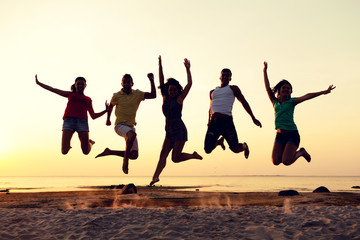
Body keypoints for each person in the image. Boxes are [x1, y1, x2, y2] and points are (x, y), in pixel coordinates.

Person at [263, 61, 336, 165]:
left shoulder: (292, 102)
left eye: (288, 88)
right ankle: (295, 152)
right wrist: (265, 71)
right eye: (284, 87)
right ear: (279, 90)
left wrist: (323, 92)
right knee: (275, 161)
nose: (286, 89)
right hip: (279, 135)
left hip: (292, 134)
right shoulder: (274, 101)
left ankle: (301, 152)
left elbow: (307, 96)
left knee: (286, 161)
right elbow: (267, 87)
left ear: (290, 92)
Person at [149, 56, 203, 186]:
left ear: (177, 90)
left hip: (179, 131)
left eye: (174, 90)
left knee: (175, 158)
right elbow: (161, 80)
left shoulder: (180, 98)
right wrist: (160, 65)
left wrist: (188, 69)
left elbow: (189, 84)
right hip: (169, 130)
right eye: (170, 89)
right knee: (163, 154)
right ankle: (155, 177)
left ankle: (193, 155)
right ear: (167, 90)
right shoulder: (164, 97)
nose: (172, 91)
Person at [96, 73, 156, 174]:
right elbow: (110, 107)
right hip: (119, 125)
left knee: (134, 155)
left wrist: (151, 80)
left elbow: (153, 95)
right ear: (122, 83)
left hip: (131, 126)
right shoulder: (116, 95)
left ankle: (110, 152)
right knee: (132, 135)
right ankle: (125, 161)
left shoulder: (137, 94)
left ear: (132, 83)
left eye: (129, 82)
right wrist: (108, 119)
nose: (127, 84)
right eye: (125, 82)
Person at [35, 74, 109, 155]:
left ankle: (90, 142)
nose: (80, 85)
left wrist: (105, 111)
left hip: (82, 123)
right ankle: (68, 146)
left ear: (85, 86)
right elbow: (53, 89)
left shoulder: (88, 99)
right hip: (69, 122)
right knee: (64, 151)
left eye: (82, 84)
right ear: (75, 85)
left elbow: (93, 116)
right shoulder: (70, 94)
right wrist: (39, 83)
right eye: (78, 84)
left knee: (86, 151)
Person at [204, 68, 262, 158]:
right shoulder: (212, 92)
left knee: (235, 149)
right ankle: (219, 142)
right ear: (220, 77)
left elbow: (244, 102)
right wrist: (208, 122)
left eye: (228, 75)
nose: (225, 77)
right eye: (223, 75)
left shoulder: (233, 89)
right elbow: (210, 109)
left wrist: (253, 118)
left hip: (226, 121)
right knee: (207, 149)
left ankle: (245, 146)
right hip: (214, 122)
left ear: (230, 78)